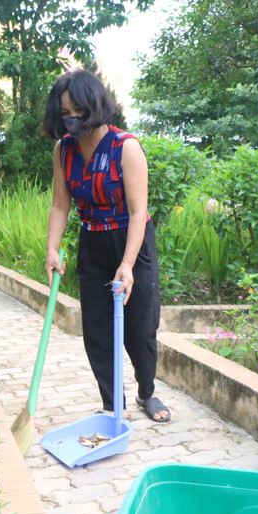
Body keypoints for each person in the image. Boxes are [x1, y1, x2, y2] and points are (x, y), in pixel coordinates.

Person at [42, 69, 170, 422]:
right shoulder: (63, 150)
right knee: (97, 328)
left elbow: (139, 211)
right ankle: (113, 401)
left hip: (131, 240)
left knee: (140, 327)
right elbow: (60, 205)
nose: (72, 120)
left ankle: (147, 392)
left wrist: (127, 264)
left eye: (78, 112)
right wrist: (51, 249)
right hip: (93, 242)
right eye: (65, 114)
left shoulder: (125, 147)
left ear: (95, 107)